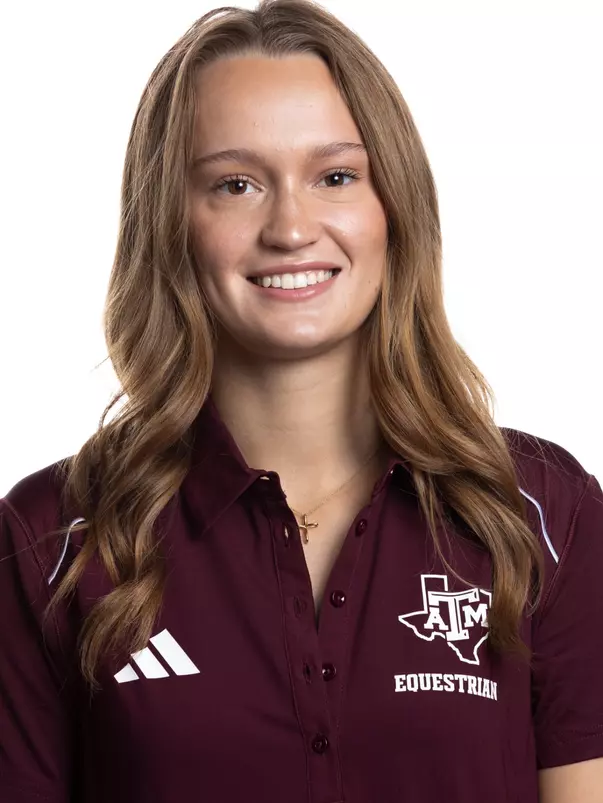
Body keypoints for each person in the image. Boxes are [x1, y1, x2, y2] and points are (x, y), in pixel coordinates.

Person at [1, 0, 602, 800]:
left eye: (335, 176)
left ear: (394, 206)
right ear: (170, 222)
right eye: (236, 183)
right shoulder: (50, 540)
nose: (290, 226)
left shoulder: (541, 513)